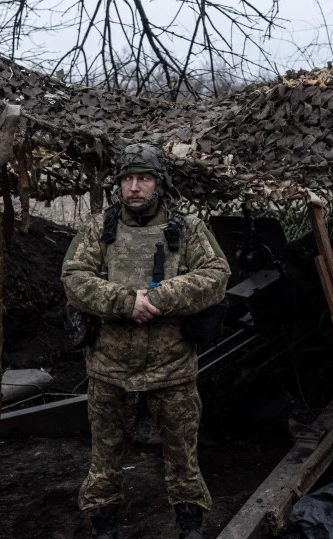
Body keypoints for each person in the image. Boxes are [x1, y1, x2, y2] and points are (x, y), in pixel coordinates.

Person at [61, 142, 231, 539]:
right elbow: (73, 278)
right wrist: (124, 302)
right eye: (127, 179)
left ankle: (190, 524)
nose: (134, 187)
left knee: (182, 456)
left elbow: (216, 275)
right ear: (119, 184)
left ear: (160, 183)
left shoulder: (186, 227)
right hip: (109, 367)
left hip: (171, 369)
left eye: (144, 178)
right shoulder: (98, 227)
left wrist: (157, 298)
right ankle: (103, 524)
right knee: (104, 456)